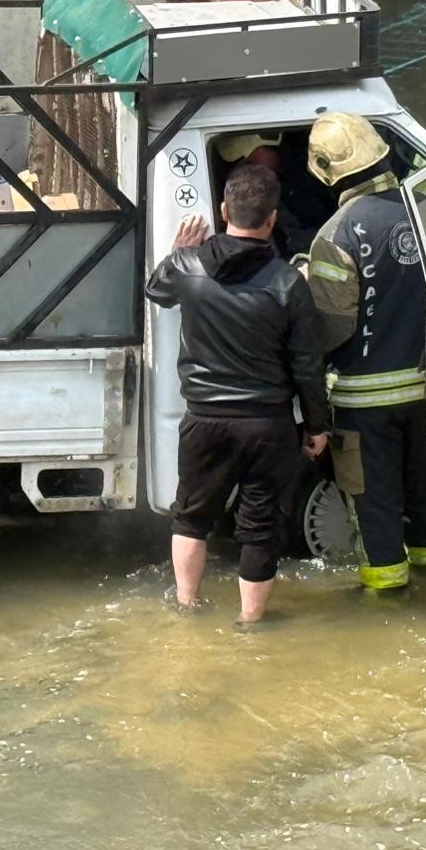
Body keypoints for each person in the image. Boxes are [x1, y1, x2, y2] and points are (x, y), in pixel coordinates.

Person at [144, 164, 330, 625]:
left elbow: (156, 289)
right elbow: (307, 365)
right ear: (271, 221)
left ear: (224, 210)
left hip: (204, 419)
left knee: (190, 517)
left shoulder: (188, 267)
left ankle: (186, 608)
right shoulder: (289, 283)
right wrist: (316, 425)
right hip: (268, 424)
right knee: (259, 528)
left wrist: (177, 252)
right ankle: (250, 624)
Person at [301, 112, 426, 591]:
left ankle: (387, 604)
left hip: (363, 407)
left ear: (326, 171)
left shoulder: (335, 235)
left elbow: (332, 326)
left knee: (376, 504)